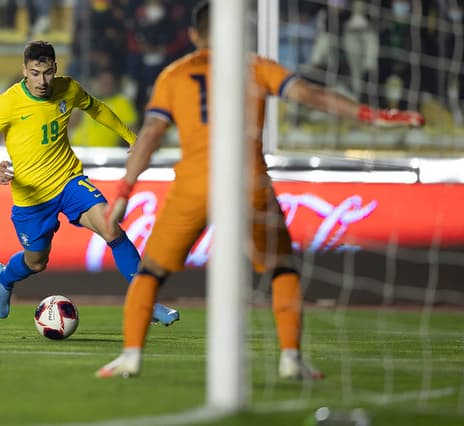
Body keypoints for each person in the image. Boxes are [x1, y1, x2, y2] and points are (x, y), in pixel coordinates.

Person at [96, 1, 425, 379]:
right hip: (248, 180)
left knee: (151, 272)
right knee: (282, 268)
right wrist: (372, 116)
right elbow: (312, 96)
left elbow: (151, 134)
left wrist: (124, 190)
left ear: (193, 35)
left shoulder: (174, 74)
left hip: (194, 185)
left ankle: (132, 356)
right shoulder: (256, 66)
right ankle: (290, 358)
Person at [0, 41, 179, 325]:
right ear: (24, 71)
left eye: (47, 73)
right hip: (32, 198)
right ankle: (4, 277)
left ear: (55, 69)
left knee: (111, 227)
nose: (42, 81)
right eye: (34, 73)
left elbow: (97, 109)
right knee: (36, 262)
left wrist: (131, 137)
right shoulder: (7, 103)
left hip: (69, 182)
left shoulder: (69, 88)